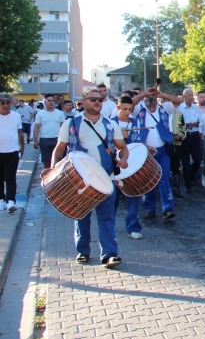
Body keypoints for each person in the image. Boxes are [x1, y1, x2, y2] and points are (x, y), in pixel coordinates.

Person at [45, 89, 129, 268]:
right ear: (83, 102)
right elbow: (59, 149)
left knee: (107, 218)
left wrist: (123, 159)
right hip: (80, 179)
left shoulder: (110, 124)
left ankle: (109, 254)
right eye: (93, 99)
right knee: (81, 216)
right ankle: (83, 251)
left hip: (106, 178)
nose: (97, 102)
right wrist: (53, 170)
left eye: (100, 99)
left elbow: (122, 147)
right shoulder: (71, 124)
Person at [132, 87, 180, 221]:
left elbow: (178, 101)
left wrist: (161, 94)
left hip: (163, 150)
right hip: (145, 152)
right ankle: (150, 209)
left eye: (152, 96)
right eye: (148, 96)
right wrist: (143, 94)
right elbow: (130, 103)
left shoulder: (164, 108)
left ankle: (167, 209)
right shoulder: (139, 110)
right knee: (147, 180)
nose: (150, 98)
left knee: (165, 179)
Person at [112, 96, 144, 238]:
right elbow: (108, 146)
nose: (127, 112)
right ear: (118, 107)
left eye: (130, 109)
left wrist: (146, 147)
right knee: (113, 198)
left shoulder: (136, 122)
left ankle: (133, 227)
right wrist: (122, 137)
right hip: (115, 166)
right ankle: (109, 227)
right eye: (124, 109)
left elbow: (138, 142)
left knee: (134, 195)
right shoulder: (110, 123)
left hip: (132, 165)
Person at [0, 93, 25, 213]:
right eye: (2, 103)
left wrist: (22, 146)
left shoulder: (16, 116)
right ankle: (1, 200)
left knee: (10, 177)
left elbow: (20, 133)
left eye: (7, 102)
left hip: (12, 151)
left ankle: (10, 201)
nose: (5, 105)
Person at [33, 94, 65, 169]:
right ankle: (47, 175)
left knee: (57, 162)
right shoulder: (40, 113)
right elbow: (36, 127)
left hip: (57, 139)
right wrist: (35, 141)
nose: (51, 102)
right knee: (46, 162)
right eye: (49, 101)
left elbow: (63, 127)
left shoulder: (60, 113)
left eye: (52, 101)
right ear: (45, 102)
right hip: (44, 139)